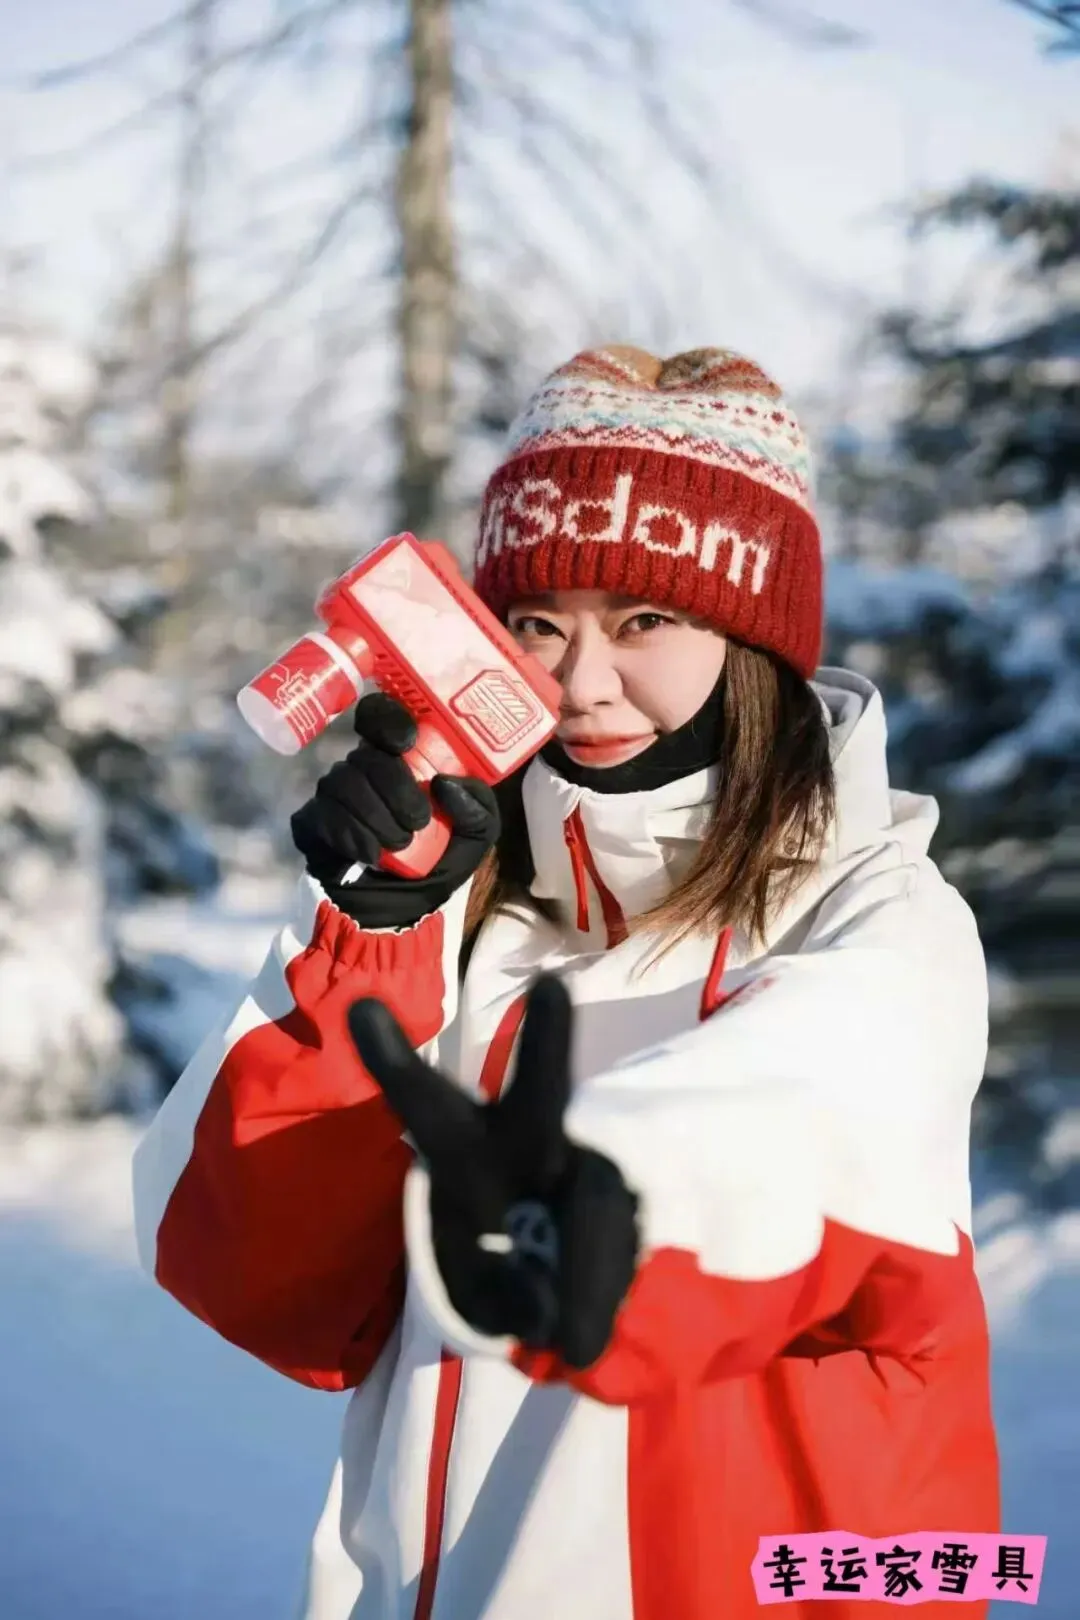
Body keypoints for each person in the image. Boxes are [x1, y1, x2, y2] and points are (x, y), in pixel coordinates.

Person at [132, 346, 1000, 1620]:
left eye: (646, 622)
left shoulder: (878, 918)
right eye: (539, 624)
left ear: (751, 642)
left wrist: (600, 1198)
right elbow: (259, 1283)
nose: (582, 686)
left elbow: (812, 1097)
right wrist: (371, 942)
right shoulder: (467, 919)